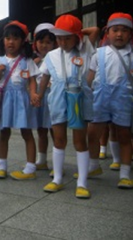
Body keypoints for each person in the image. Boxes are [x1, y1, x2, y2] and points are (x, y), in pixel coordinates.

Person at [36, 14, 99, 199]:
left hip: (78, 99)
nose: (62, 42)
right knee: (59, 139)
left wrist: (78, 32)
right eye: (59, 37)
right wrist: (39, 95)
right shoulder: (51, 55)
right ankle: (57, 179)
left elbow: (94, 30)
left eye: (67, 37)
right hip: (57, 99)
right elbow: (45, 77)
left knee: (80, 140)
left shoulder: (85, 50)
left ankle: (82, 183)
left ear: (77, 37)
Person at [87, 12, 133, 189]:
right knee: (92, 134)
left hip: (123, 101)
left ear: (130, 35)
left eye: (124, 31)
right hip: (99, 99)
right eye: (115, 30)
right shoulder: (98, 54)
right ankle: (93, 166)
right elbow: (89, 79)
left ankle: (125, 174)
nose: (119, 34)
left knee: (124, 137)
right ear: (108, 33)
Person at [0, 21, 40, 180]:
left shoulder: (27, 61)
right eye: (7, 38)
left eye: (15, 38)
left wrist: (33, 94)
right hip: (4, 99)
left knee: (27, 132)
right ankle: (2, 166)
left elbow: (32, 80)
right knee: (4, 132)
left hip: (21, 99)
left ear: (22, 41)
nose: (11, 42)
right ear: (3, 41)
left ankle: (30, 167)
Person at [32, 23, 57, 171]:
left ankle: (56, 162)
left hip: (53, 97)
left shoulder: (57, 58)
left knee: (55, 131)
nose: (44, 45)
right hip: (40, 98)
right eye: (41, 42)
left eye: (48, 42)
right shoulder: (33, 61)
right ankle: (42, 160)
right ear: (35, 43)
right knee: (41, 130)